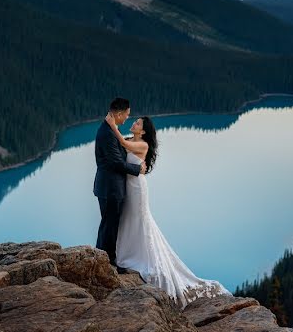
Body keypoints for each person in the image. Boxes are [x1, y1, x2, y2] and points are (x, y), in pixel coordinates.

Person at [103, 111, 231, 308]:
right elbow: (121, 144)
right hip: (128, 187)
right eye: (135, 121)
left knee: (139, 220)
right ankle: (125, 254)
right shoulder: (131, 139)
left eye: (137, 123)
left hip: (137, 188)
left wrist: (112, 124)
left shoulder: (142, 144)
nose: (134, 123)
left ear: (143, 130)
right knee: (128, 219)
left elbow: (125, 144)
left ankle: (135, 257)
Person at [93, 97, 146, 272]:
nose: (126, 119)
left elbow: (123, 146)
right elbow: (116, 163)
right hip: (111, 187)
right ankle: (107, 262)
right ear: (118, 113)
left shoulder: (109, 130)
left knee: (109, 223)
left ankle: (102, 257)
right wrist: (137, 169)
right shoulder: (107, 133)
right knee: (110, 224)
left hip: (110, 186)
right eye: (126, 115)